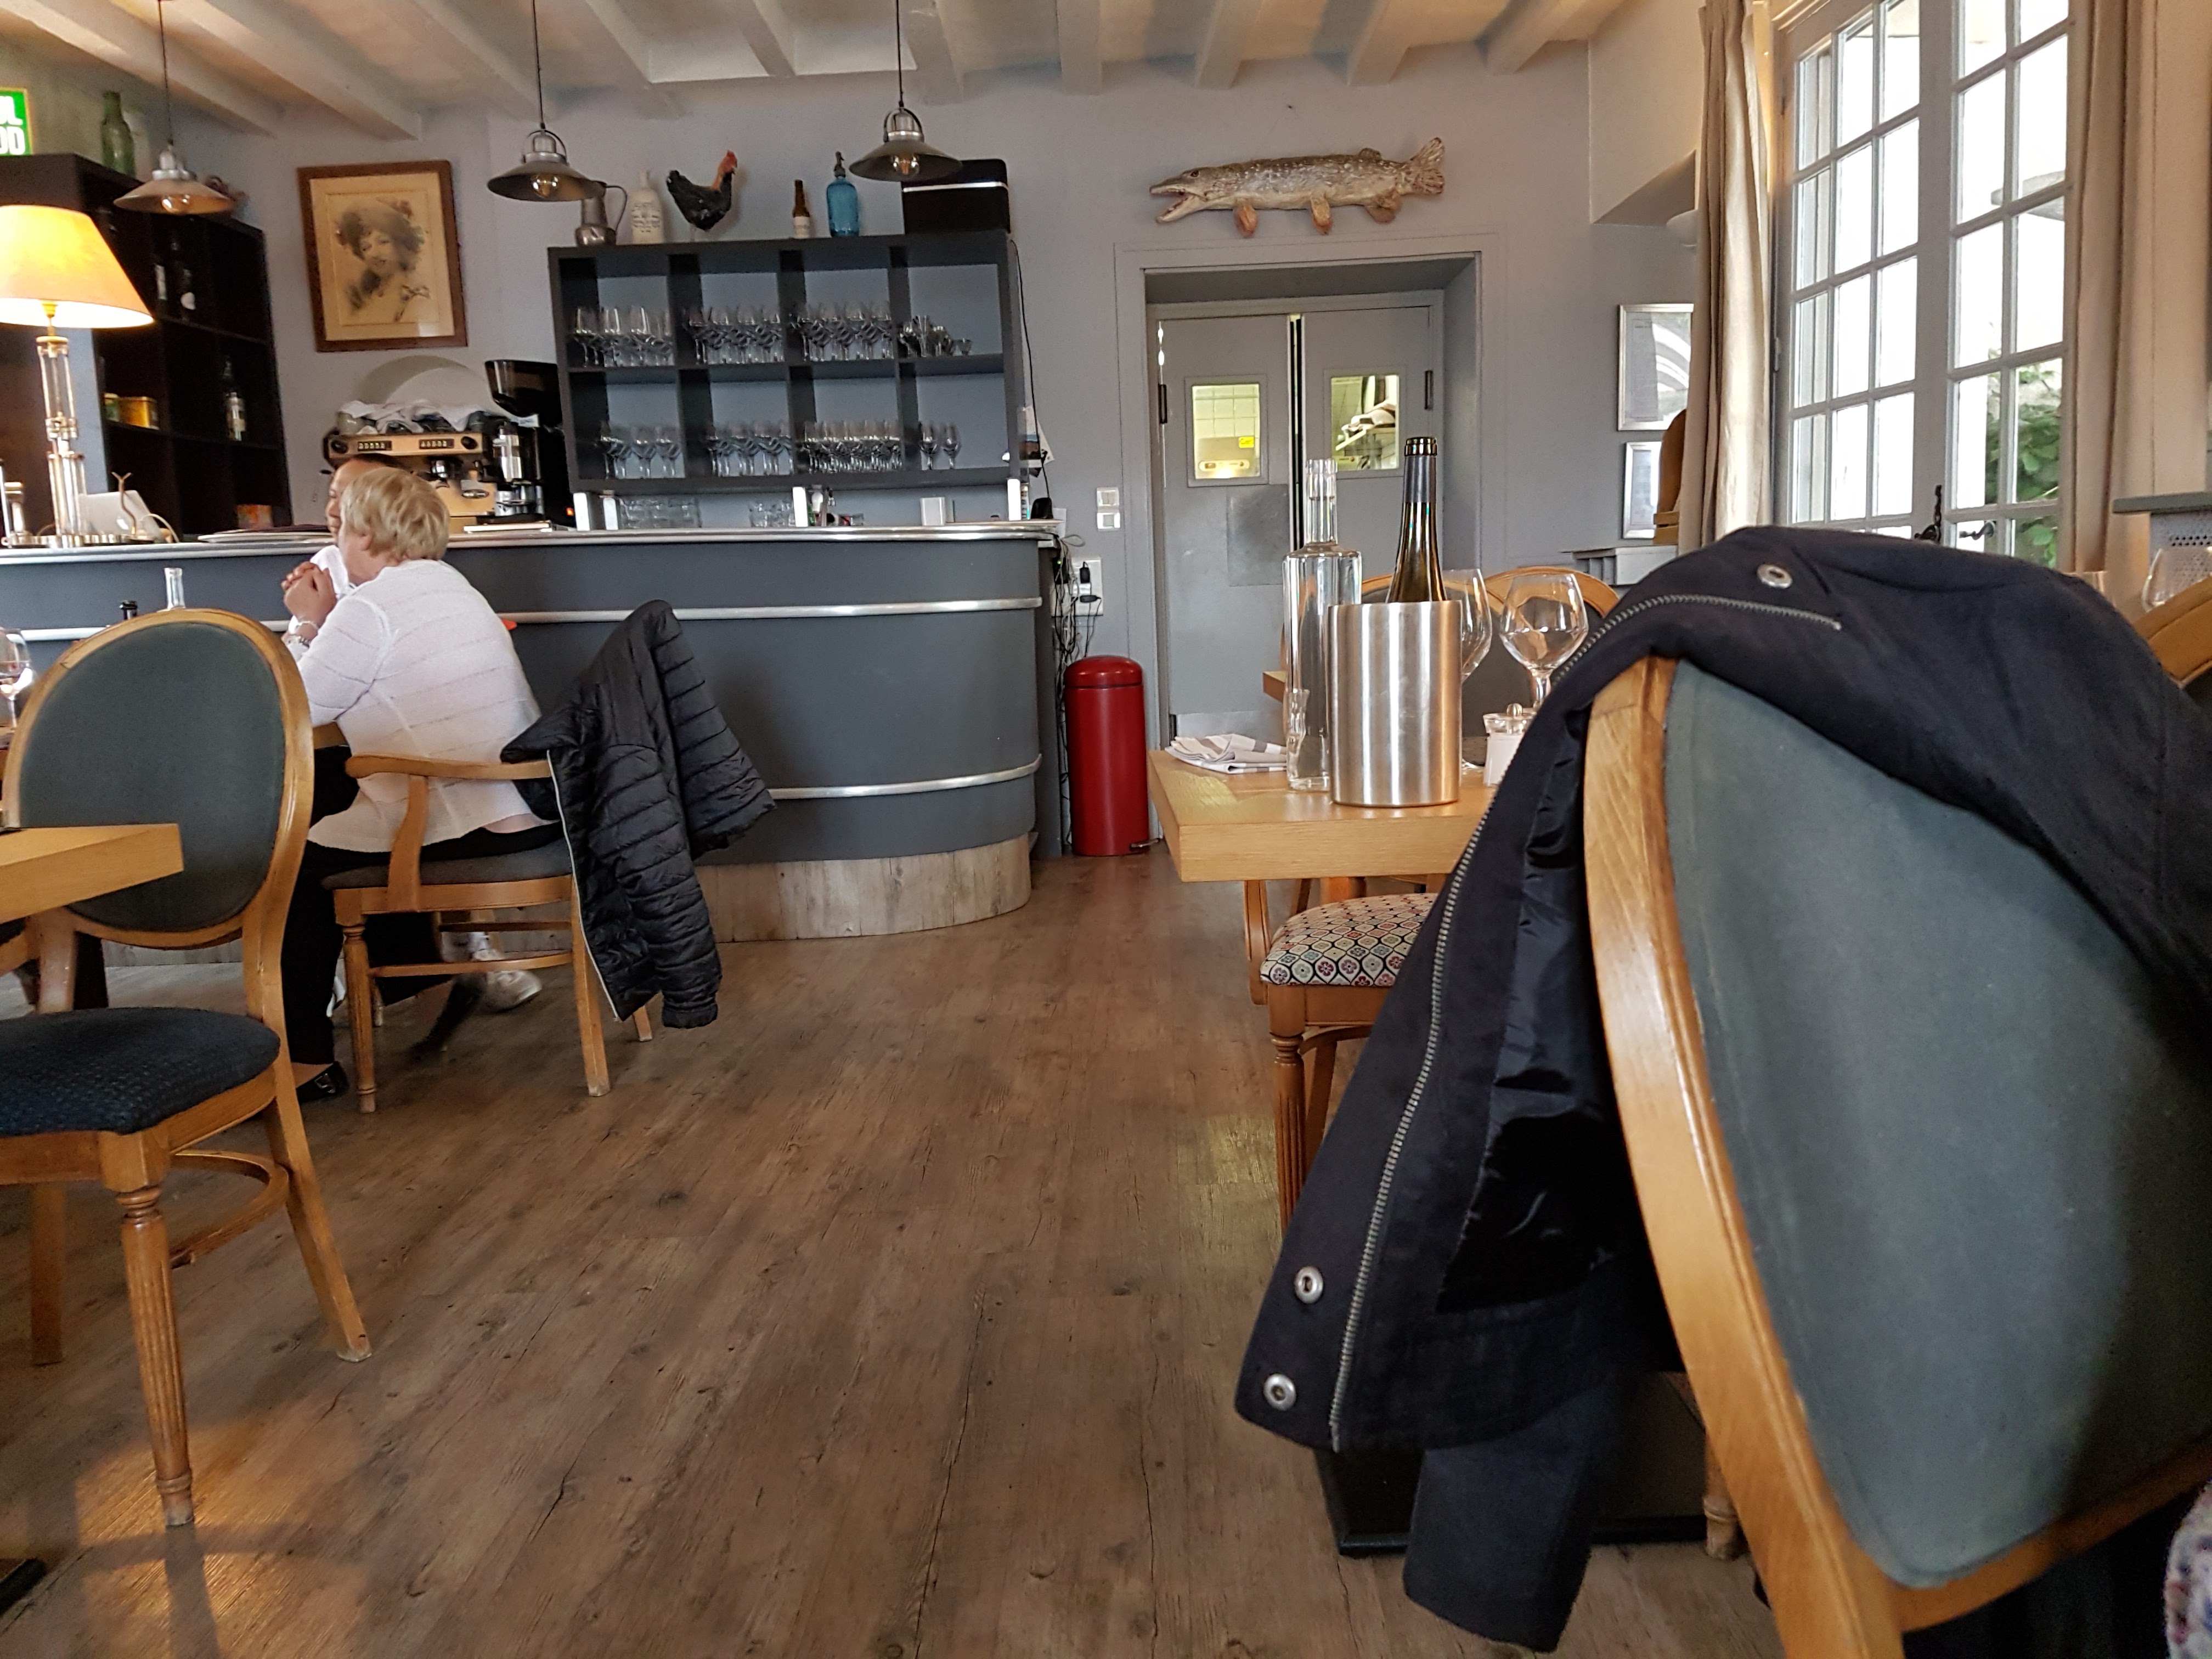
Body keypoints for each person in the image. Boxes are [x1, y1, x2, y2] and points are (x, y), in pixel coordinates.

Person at [279, 467, 560, 1103]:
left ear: (365, 532)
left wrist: (307, 624)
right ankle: (421, 985)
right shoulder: (451, 586)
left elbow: (295, 706)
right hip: (521, 806)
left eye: (344, 526)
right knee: (337, 802)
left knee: (296, 865)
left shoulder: (370, 609)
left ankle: (305, 1060)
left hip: (467, 818)